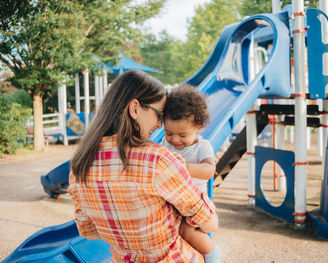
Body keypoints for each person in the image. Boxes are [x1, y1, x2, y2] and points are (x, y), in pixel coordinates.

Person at [68, 70, 218, 262]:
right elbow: (210, 224)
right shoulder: (158, 160)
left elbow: (88, 231)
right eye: (158, 115)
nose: (158, 125)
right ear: (135, 108)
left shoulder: (79, 164)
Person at [161, 84, 220, 263]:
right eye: (169, 132)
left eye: (183, 135)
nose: (175, 140)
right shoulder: (165, 143)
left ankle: (212, 255)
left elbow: (209, 171)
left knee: (185, 231)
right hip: (172, 202)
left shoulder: (202, 147)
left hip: (195, 204)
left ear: (198, 128)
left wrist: (182, 166)